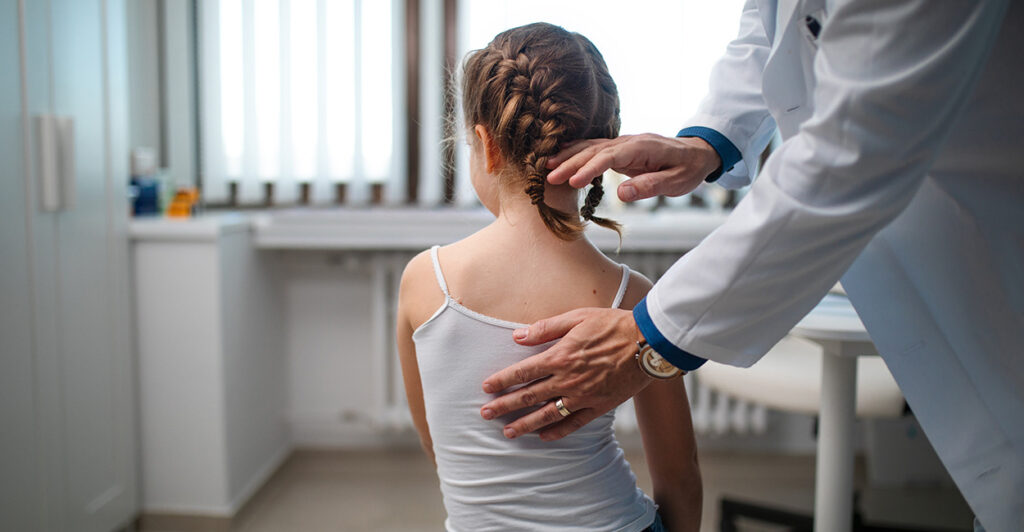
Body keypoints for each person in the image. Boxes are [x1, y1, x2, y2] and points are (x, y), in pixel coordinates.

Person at [478, 2, 1024, 531]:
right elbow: (774, 32)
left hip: (981, 223)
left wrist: (653, 334)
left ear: (485, 144)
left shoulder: (423, 283)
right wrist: (708, 142)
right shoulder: (623, 291)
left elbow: (851, 151)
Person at [396, 23, 702, 532]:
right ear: (604, 152)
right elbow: (680, 476)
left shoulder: (425, 282)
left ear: (484, 144)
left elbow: (438, 443)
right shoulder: (634, 300)